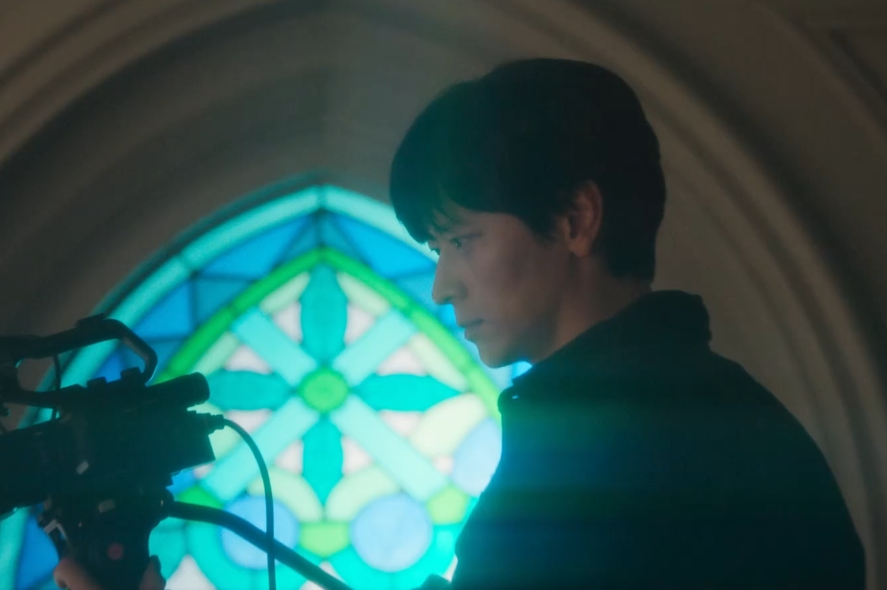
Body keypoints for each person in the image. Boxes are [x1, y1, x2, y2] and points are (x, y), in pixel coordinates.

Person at [55, 58, 865, 590]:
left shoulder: (606, 447)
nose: (443, 285)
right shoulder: (723, 414)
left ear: (576, 219)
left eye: (463, 240)